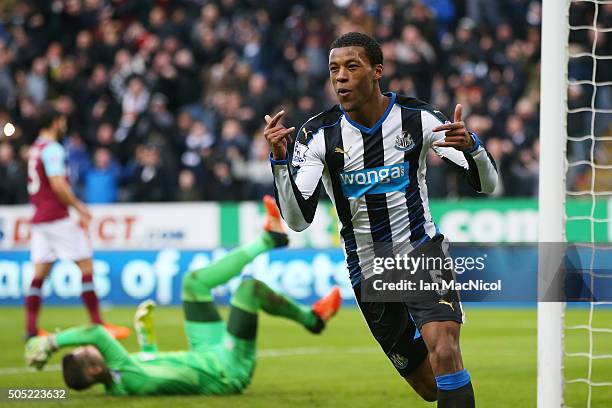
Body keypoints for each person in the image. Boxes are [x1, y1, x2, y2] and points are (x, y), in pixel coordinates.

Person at [264, 32, 498, 407]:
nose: (340, 76)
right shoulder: (318, 135)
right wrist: (279, 163)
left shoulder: (417, 119)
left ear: (377, 71)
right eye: (333, 69)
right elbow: (297, 221)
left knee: (445, 349)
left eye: (351, 66)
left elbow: (488, 184)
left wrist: (472, 147)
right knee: (431, 388)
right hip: (369, 271)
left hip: (422, 254)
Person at [25, 196, 342, 395]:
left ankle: (269, 239)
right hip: (226, 370)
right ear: (95, 369)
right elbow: (96, 332)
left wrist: (146, 338)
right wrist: (49, 343)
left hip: (205, 354)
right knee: (249, 289)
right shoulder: (125, 375)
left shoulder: (121, 378)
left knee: (192, 283)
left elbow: (154, 366)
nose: (91, 347)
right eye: (88, 353)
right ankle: (313, 319)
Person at [24, 105, 130, 340]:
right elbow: (58, 184)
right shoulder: (53, 149)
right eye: (62, 120)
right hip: (57, 217)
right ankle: (99, 324)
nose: (64, 125)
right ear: (55, 122)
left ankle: (30, 329)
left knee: (40, 272)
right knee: (86, 266)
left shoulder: (35, 148)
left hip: (40, 218)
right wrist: (79, 207)